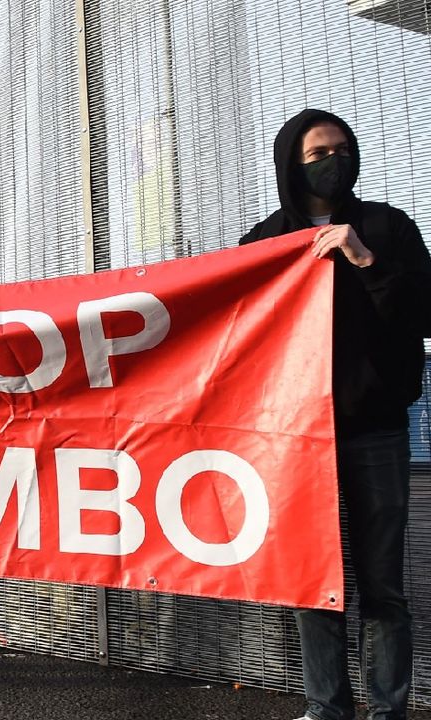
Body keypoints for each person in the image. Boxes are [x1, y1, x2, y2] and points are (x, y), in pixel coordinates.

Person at [240, 109, 431, 720]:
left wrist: (365, 260)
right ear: (291, 162)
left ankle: (388, 710)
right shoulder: (263, 242)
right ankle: (327, 708)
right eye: (318, 152)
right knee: (313, 583)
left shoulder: (386, 226)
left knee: (382, 587)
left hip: (376, 428)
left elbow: (423, 313)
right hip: (298, 436)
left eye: (343, 149)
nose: (333, 161)